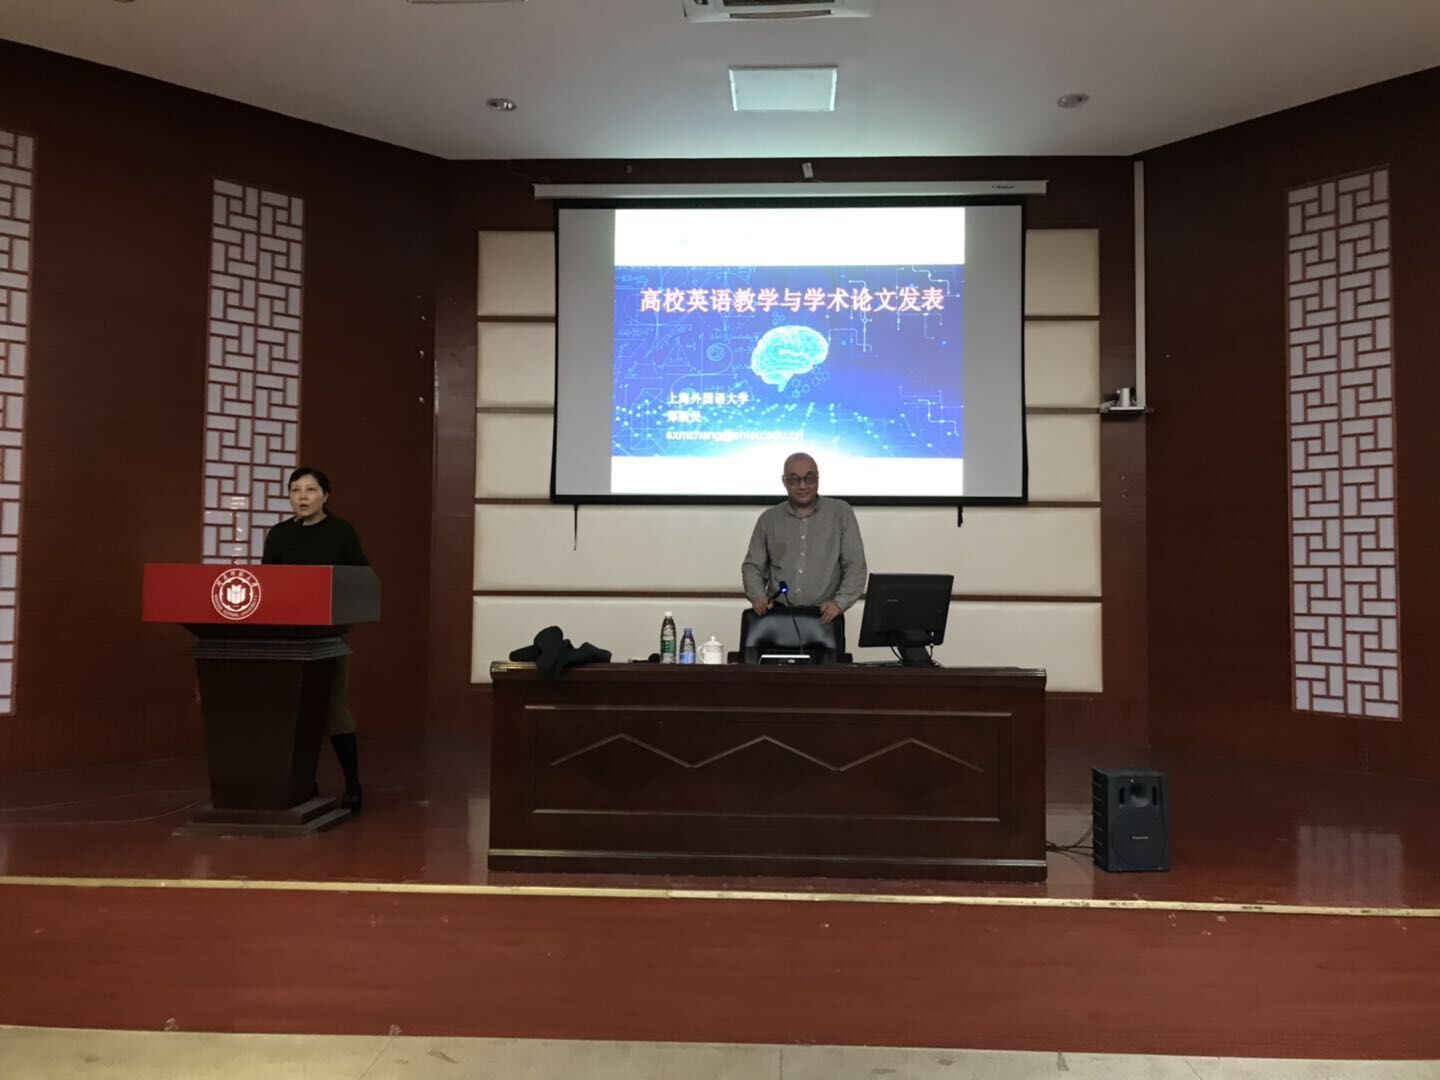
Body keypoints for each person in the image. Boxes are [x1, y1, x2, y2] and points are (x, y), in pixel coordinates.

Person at [261, 466, 368, 814]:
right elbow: (266, 584)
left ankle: (353, 785)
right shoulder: (279, 535)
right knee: (293, 713)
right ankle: (300, 783)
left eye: (310, 490)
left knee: (333, 710)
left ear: (325, 495)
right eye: (295, 490)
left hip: (330, 636)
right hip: (286, 637)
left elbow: (361, 579)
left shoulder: (341, 531)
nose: (302, 497)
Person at [741, 452, 867, 625]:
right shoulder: (769, 519)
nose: (802, 486)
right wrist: (758, 596)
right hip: (778, 615)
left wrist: (840, 603)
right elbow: (752, 566)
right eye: (794, 480)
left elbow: (855, 566)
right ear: (784, 481)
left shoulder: (840, 513)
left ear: (818, 478)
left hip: (825, 617)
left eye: (809, 478)